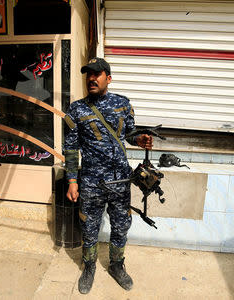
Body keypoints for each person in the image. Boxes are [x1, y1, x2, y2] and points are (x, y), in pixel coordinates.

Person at [63, 57, 152, 294]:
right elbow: (70, 149)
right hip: (91, 181)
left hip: (121, 180)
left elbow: (130, 133)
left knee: (121, 225)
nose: (91, 79)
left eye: (97, 74)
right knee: (89, 227)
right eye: (88, 75)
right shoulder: (76, 109)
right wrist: (72, 180)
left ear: (108, 78)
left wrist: (139, 139)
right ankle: (89, 266)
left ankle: (116, 265)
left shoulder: (123, 104)